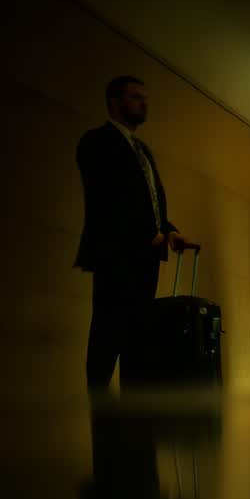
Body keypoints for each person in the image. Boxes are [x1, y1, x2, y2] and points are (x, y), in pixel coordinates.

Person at [75, 75, 195, 390]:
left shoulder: (142, 150)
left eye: (144, 96)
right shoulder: (96, 142)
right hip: (116, 255)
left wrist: (168, 232)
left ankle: (133, 412)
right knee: (108, 331)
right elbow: (109, 202)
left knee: (137, 335)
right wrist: (146, 235)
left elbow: (150, 202)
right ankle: (99, 409)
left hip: (146, 256)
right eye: (134, 96)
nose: (143, 102)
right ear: (114, 102)